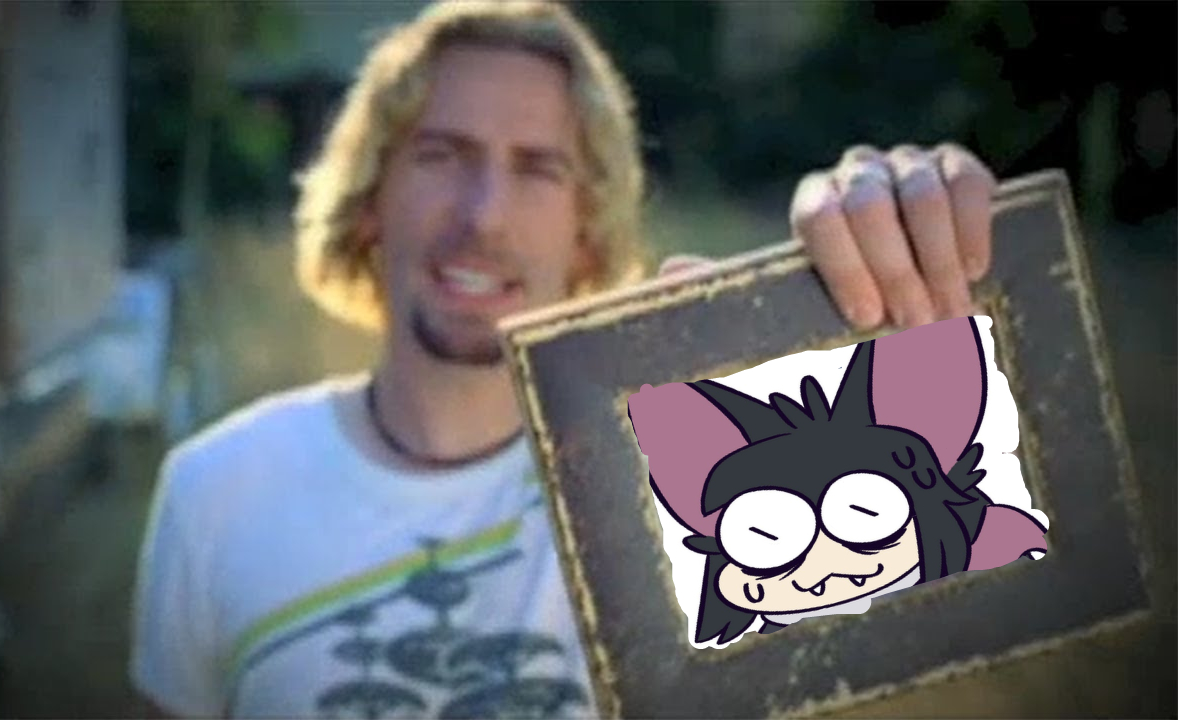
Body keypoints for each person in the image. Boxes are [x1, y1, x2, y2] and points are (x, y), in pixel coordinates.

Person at [129, 2, 1000, 718]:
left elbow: (989, 541)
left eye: (537, 169)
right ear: (369, 201)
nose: (484, 215)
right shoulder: (214, 491)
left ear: (588, 232)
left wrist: (933, 270)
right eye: (441, 154)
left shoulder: (690, 488)